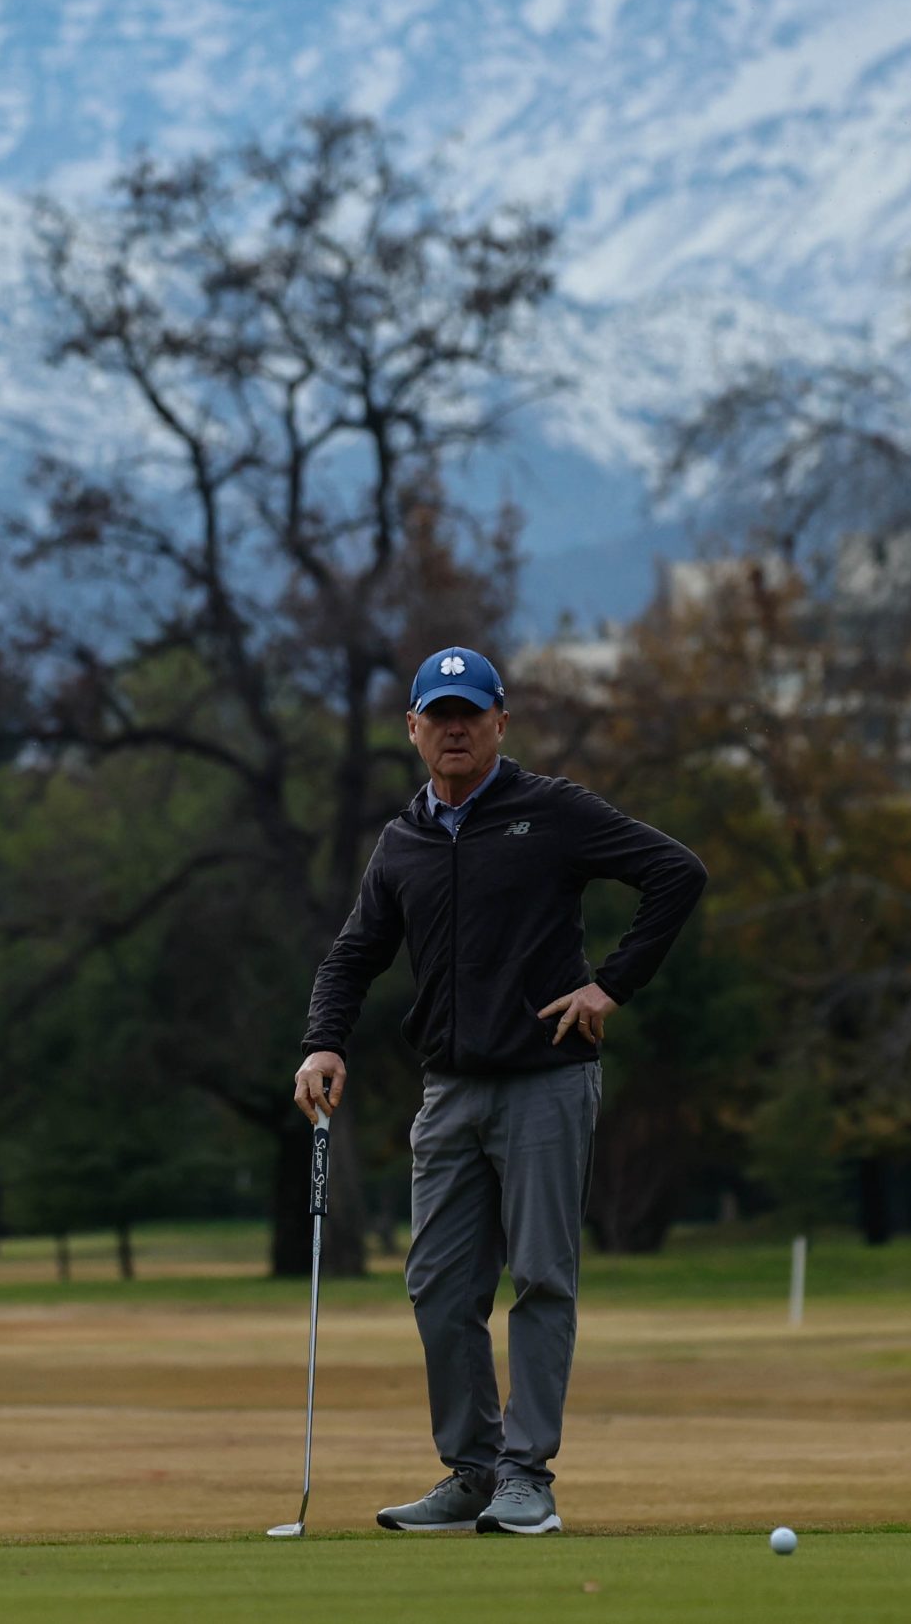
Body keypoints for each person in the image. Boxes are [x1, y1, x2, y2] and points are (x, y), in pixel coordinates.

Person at [295, 645, 707, 1536]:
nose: (455, 729)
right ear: (412, 728)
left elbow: (678, 872)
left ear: (499, 723)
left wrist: (610, 985)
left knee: (542, 1279)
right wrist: (323, 1041)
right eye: (439, 716)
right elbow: (354, 955)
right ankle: (473, 1471)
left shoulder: (550, 811)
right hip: (448, 1092)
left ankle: (527, 1479)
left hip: (546, 1081)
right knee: (439, 1287)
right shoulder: (401, 842)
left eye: (470, 715)